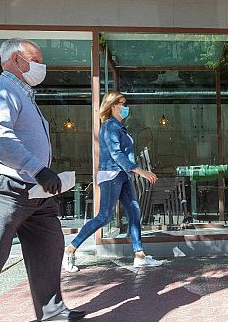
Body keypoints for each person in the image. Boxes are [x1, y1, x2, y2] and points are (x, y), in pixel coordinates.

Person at [0, 38, 85, 322]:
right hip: (4, 185)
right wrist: (38, 168)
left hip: (34, 190)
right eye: (37, 59)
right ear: (17, 59)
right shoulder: (0, 90)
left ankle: (51, 309)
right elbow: (0, 139)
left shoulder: (23, 94)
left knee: (50, 244)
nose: (43, 66)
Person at [62, 91, 162, 271]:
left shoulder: (119, 127)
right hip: (111, 175)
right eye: (122, 103)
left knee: (134, 211)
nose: (126, 107)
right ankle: (70, 249)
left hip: (122, 175)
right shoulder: (109, 126)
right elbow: (116, 154)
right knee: (104, 216)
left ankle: (139, 255)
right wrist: (141, 171)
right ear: (113, 105)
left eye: (125, 103)